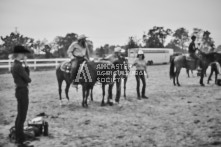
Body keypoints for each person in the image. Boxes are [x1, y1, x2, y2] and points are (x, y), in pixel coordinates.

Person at [10, 45, 32, 145]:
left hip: (19, 90)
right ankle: (20, 140)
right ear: (19, 54)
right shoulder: (18, 66)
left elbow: (26, 77)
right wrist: (26, 64)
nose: (24, 55)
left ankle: (20, 137)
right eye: (23, 53)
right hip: (22, 91)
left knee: (20, 115)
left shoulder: (15, 64)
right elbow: (28, 79)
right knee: (22, 116)